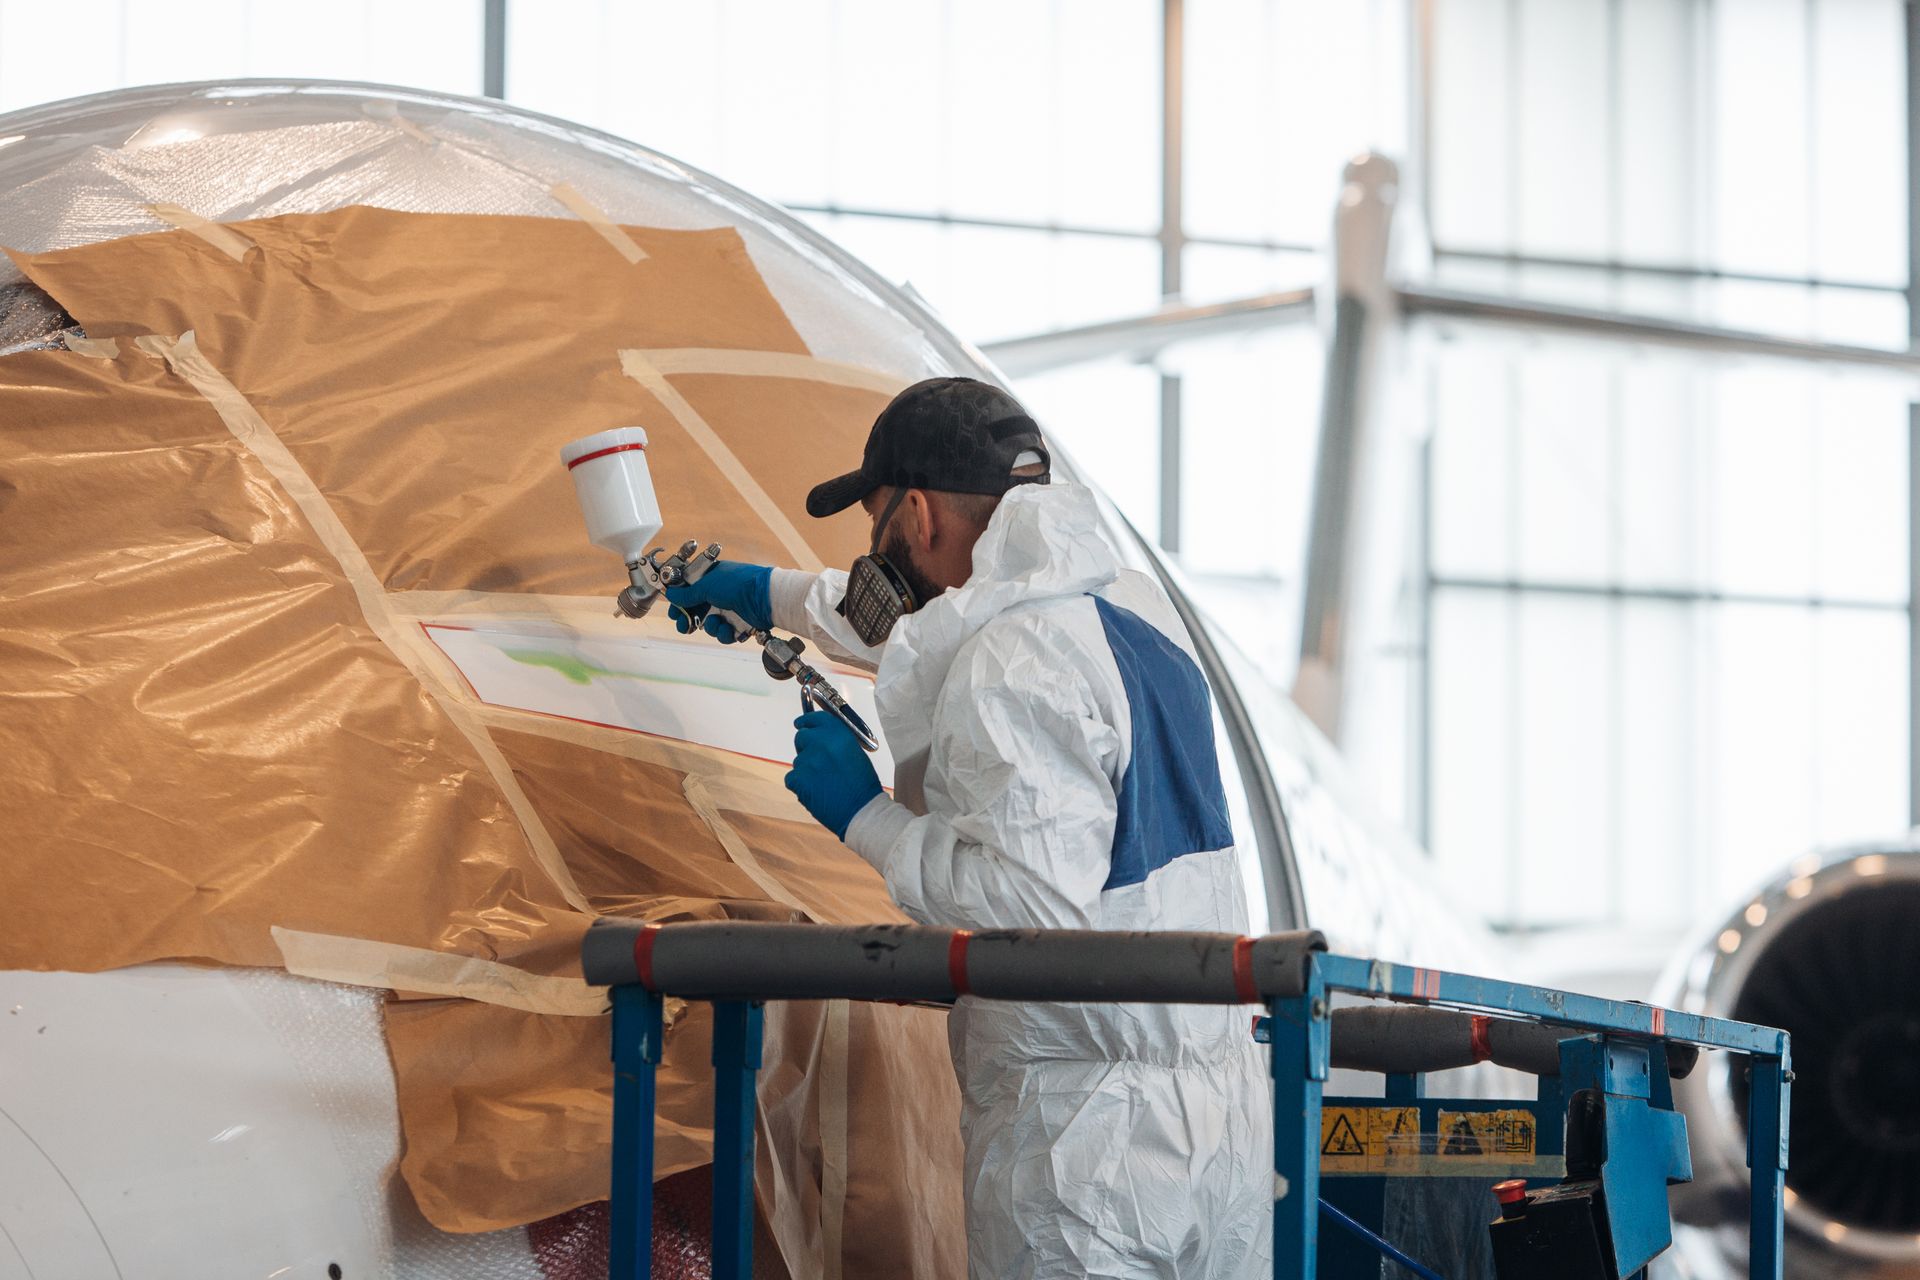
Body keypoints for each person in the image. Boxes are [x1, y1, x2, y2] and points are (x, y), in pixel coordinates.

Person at [663, 376, 1271, 1280]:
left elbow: (1032, 910)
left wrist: (865, 817)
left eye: (876, 524)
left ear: (916, 511)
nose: (875, 551)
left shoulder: (1011, 658)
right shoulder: (1131, 609)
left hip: (1085, 1140)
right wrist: (772, 595)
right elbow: (944, 628)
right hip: (1217, 1123)